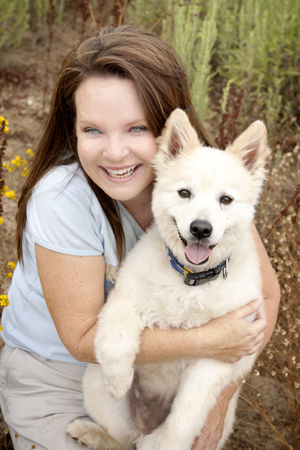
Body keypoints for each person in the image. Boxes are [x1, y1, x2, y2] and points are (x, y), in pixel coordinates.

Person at [0, 25, 280, 450]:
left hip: (165, 373)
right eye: (93, 130)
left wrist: (216, 404)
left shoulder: (208, 181)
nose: (115, 152)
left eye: (136, 128)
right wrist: (212, 341)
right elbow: (81, 340)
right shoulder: (61, 200)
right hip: (58, 372)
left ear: (167, 131)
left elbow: (267, 299)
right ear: (72, 129)